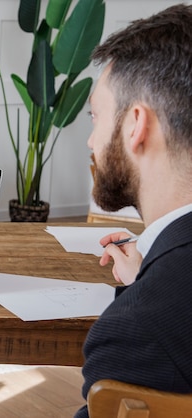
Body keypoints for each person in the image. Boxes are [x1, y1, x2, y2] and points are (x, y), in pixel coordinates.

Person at [75, 4, 192, 417]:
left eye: (95, 117)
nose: (91, 141)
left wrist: (146, 294)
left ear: (135, 124)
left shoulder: (137, 329)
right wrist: (148, 276)